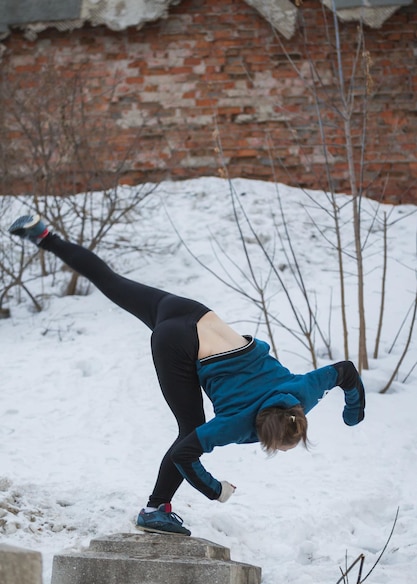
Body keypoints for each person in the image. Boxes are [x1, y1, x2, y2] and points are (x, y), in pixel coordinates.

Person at [8, 214, 366, 536]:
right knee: (188, 430)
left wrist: (353, 411)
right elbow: (185, 453)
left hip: (191, 313)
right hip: (178, 345)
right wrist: (216, 490)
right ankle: (154, 509)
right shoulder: (237, 425)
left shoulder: (304, 391)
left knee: (110, 280)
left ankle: (44, 237)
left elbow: (346, 372)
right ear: (261, 432)